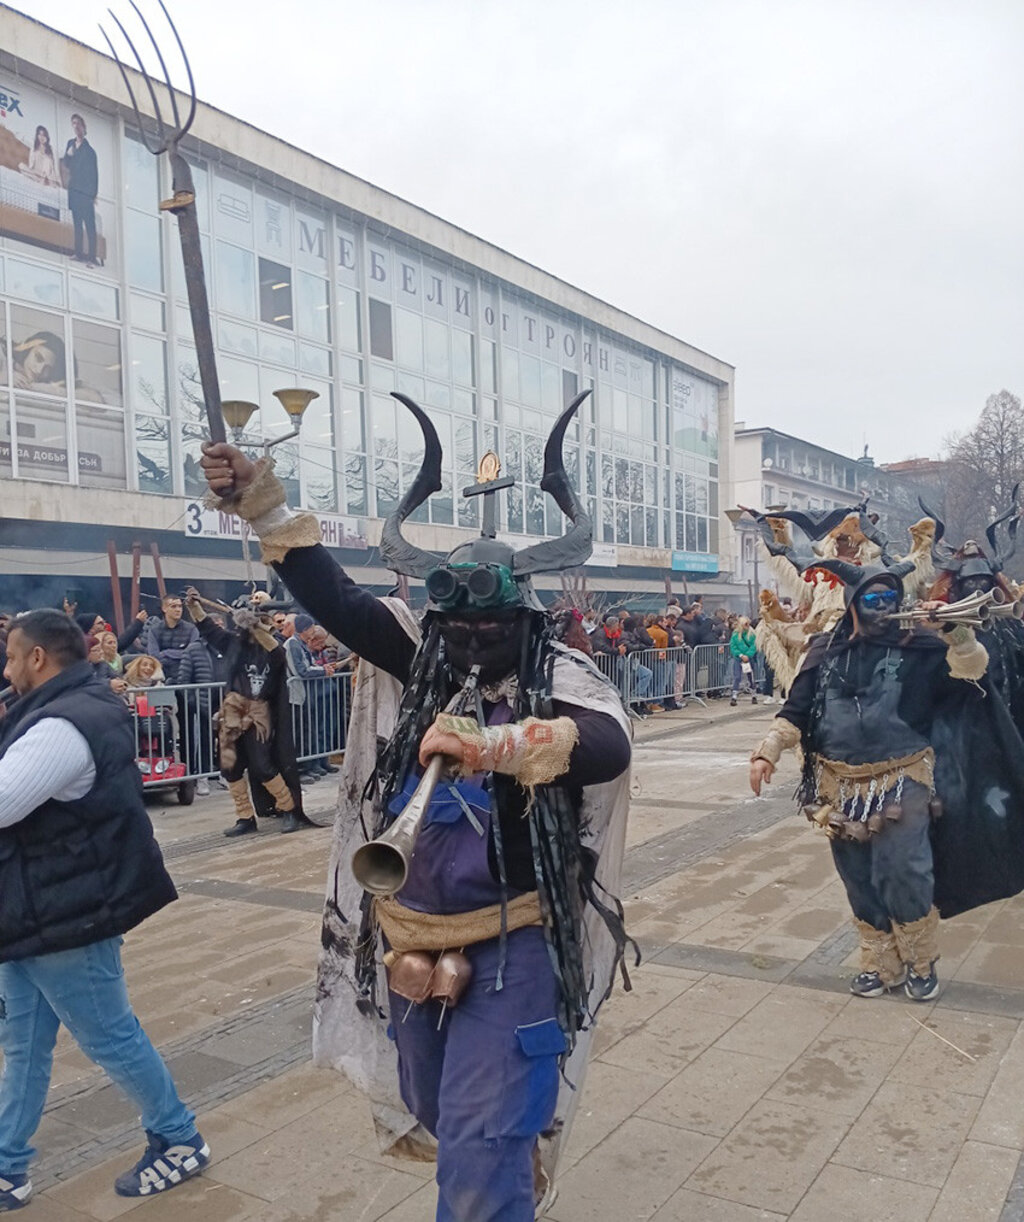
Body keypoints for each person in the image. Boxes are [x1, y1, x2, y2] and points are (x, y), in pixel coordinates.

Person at [199, 391, 633, 1220]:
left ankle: (500, 1165)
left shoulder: (560, 674)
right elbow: (333, 596)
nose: (471, 639)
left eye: (491, 625)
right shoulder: (421, 654)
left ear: (526, 618)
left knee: (478, 1140)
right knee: (436, 1109)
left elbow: (607, 745)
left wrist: (497, 746)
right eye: (457, 624)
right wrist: (261, 500)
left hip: (514, 944)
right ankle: (505, 1156)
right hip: (410, 938)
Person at [0, 610, 208, 1210]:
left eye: (11, 657)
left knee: (110, 1037)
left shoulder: (64, 724)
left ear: (38, 658)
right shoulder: (59, 708)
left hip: (68, 915)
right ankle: (8, 1165)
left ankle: (180, 1139)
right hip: (33, 912)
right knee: (25, 1046)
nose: (6, 670)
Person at [749, 558, 1024, 1003]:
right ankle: (881, 964)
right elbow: (796, 709)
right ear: (853, 604)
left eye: (891, 597)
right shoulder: (825, 651)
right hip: (838, 788)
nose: (884, 606)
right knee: (858, 878)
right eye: (874, 598)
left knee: (904, 871)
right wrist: (767, 752)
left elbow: (972, 674)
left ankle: (920, 963)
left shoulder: (921, 646)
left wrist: (955, 633)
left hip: (903, 780)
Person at [184, 590, 310, 836]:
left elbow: (277, 654)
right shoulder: (232, 643)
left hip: (258, 713)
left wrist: (256, 626)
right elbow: (208, 628)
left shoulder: (273, 649)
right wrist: (194, 607)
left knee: (262, 765)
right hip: (233, 710)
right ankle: (245, 817)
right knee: (230, 766)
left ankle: (288, 809)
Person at [62, 114, 99, 267]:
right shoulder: (70, 144)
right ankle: (78, 253)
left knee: (89, 225)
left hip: (85, 192)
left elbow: (94, 175)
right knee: (77, 223)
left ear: (83, 127)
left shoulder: (90, 151)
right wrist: (68, 155)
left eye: (78, 123)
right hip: (74, 189)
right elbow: (66, 164)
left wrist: (93, 194)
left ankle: (92, 258)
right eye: (74, 123)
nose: (76, 126)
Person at [141, 596, 198, 686]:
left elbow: (193, 653)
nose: (178, 610)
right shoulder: (154, 630)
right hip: (161, 675)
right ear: (164, 609)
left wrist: (166, 653)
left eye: (180, 606)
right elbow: (153, 656)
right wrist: (178, 656)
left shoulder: (191, 629)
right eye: (173, 606)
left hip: (186, 675)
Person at [729, 616, 758, 706]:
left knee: (751, 677)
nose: (747, 625)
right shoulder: (735, 634)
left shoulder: (752, 634)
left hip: (749, 659)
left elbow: (754, 646)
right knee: (737, 677)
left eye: (748, 624)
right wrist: (740, 655)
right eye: (745, 624)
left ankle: (753, 695)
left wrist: (748, 655)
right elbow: (733, 646)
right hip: (739, 658)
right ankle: (734, 696)